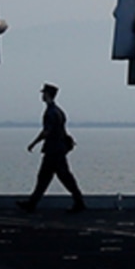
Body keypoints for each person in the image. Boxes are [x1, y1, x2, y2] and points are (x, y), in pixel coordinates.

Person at [18, 83, 86, 213]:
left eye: (44, 93)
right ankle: (32, 203)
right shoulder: (59, 111)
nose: (42, 95)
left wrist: (33, 143)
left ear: (48, 95)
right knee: (49, 177)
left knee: (57, 177)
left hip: (53, 150)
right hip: (58, 149)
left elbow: (46, 132)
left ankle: (79, 203)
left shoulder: (50, 112)